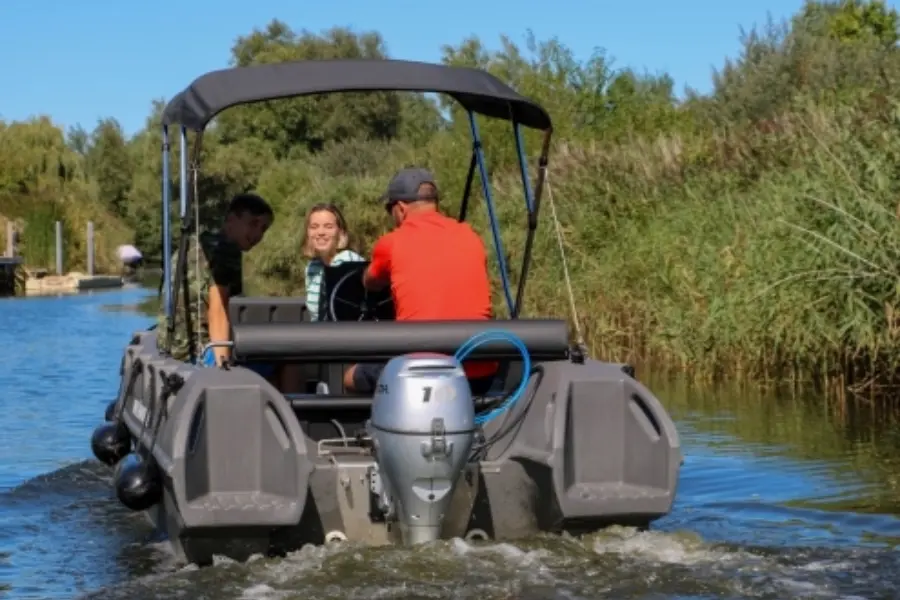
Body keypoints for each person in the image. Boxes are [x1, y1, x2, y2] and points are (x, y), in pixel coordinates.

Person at [343, 167, 497, 395]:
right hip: (479, 373)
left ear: (400, 209)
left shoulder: (392, 242)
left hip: (420, 374)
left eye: (389, 210)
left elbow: (371, 281)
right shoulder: (471, 236)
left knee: (349, 377)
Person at [156, 192, 282, 384]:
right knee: (286, 360)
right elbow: (218, 309)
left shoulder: (196, 242)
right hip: (197, 354)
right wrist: (223, 371)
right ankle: (291, 413)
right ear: (231, 219)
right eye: (253, 224)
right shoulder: (226, 249)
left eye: (263, 229)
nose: (257, 234)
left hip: (171, 350)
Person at [302, 203, 365, 321]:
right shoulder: (312, 268)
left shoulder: (350, 262)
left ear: (341, 234)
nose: (320, 232)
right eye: (314, 227)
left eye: (328, 226)